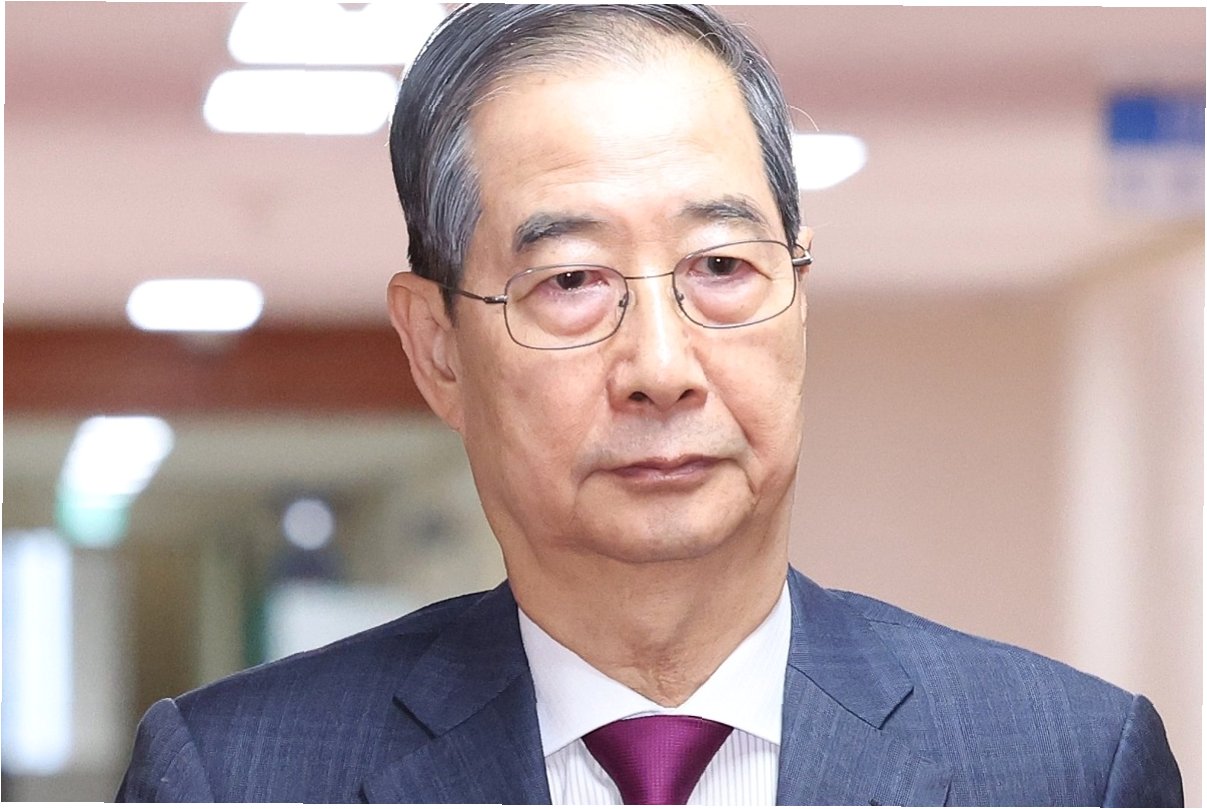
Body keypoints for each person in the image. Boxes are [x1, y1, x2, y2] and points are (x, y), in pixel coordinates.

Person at [116, 5, 1183, 805]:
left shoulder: (1065, 766)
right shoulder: (236, 775)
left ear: (798, 293)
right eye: (571, 280)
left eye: (721, 265)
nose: (661, 366)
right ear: (437, 347)